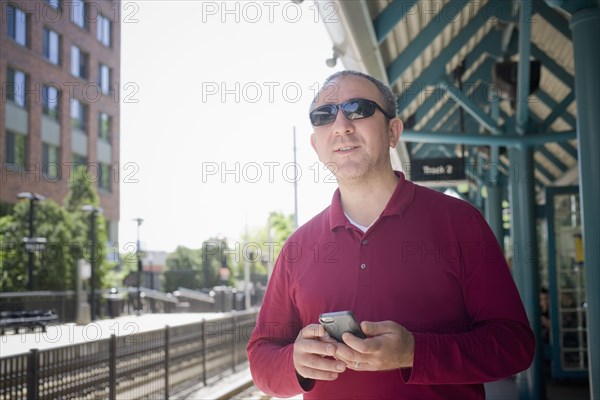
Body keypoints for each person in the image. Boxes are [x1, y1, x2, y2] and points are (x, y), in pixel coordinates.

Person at [247, 71, 534, 399]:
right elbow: (261, 358)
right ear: (316, 144)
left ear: (393, 131)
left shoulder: (460, 223)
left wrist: (414, 353)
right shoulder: (297, 247)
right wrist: (294, 363)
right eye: (323, 116)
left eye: (359, 109)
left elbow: (515, 346)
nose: (341, 125)